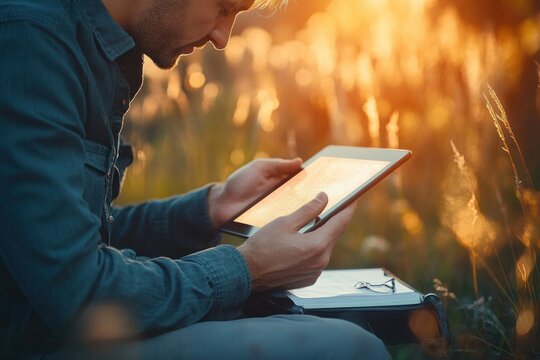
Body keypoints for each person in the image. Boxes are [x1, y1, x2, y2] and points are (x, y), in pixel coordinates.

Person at [0, 0, 390, 358]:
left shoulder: (76, 41)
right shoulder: (30, 42)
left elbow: (70, 240)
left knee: (321, 323)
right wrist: (246, 270)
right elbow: (78, 292)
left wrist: (210, 208)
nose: (224, 38)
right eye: (223, 7)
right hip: (37, 342)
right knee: (350, 348)